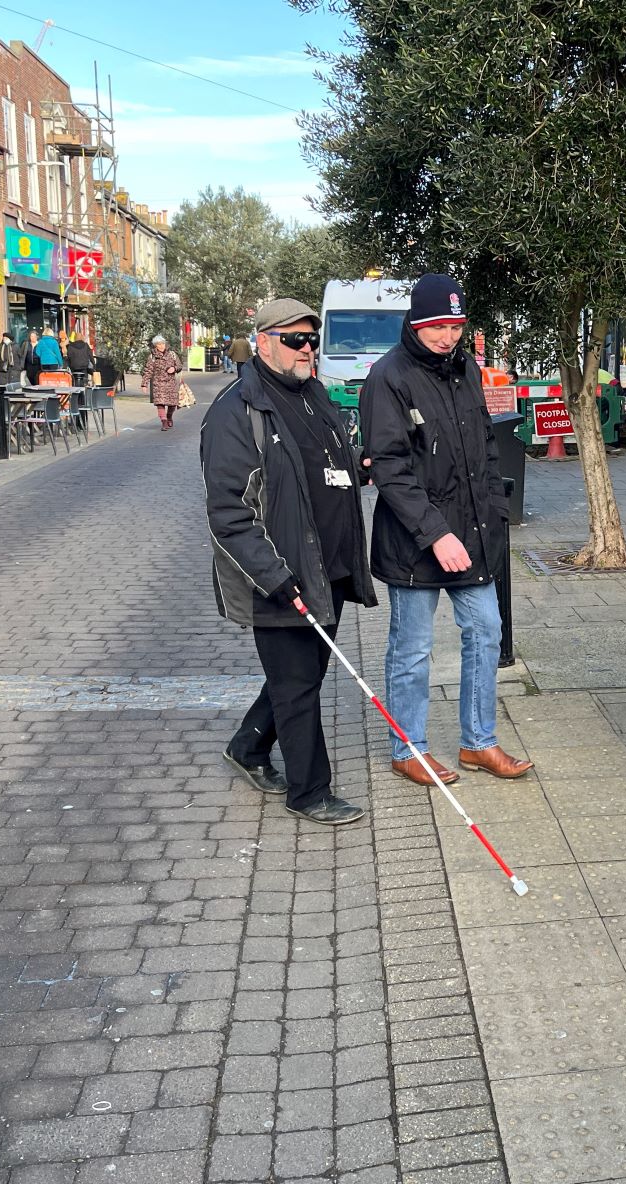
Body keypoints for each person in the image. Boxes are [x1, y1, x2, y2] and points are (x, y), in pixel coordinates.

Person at [202, 297, 376, 825]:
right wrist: (276, 578)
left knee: (300, 674)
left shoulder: (315, 395)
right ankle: (309, 791)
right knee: (297, 684)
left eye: (312, 340)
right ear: (263, 342)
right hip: (279, 577)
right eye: (295, 340)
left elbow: (330, 466)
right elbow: (229, 515)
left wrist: (358, 465)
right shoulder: (237, 412)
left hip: (330, 568)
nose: (307, 350)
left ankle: (248, 748)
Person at [361, 274, 532, 786]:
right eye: (438, 325)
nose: (447, 336)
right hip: (416, 542)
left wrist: (496, 510)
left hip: (473, 534)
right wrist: (436, 533)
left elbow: (485, 447)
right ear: (415, 321)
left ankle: (478, 743)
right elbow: (389, 467)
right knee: (412, 648)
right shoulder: (387, 377)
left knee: (485, 630)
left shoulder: (467, 369)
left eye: (455, 326)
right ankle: (407, 748)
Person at [141, 335, 183, 429]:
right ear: (156, 346)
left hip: (170, 383)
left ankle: (169, 417)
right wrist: (144, 384)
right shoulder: (152, 356)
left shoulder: (172, 354)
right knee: (160, 403)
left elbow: (179, 366)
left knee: (172, 404)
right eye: (159, 344)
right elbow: (148, 370)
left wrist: (174, 368)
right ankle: (164, 422)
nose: (161, 346)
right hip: (158, 383)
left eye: (163, 343)